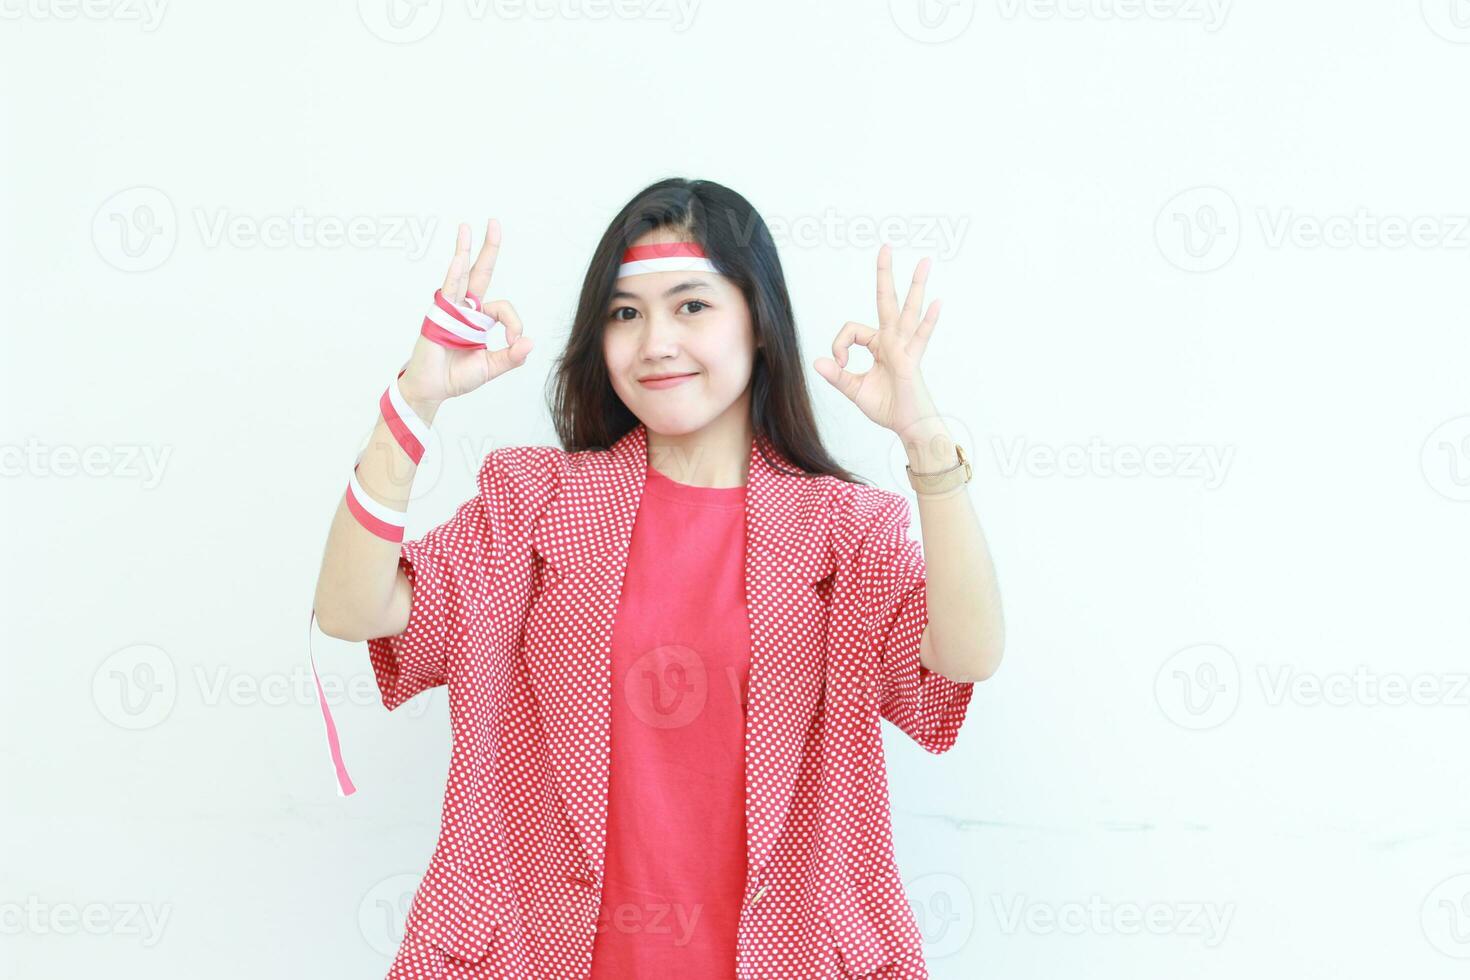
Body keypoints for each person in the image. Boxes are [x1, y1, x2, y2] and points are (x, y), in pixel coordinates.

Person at [312, 177, 1005, 979]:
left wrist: (925, 440)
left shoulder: (843, 533)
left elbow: (967, 655)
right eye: (625, 313)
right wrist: (413, 402)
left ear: (759, 322)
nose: (655, 343)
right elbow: (350, 608)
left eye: (692, 306)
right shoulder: (538, 505)